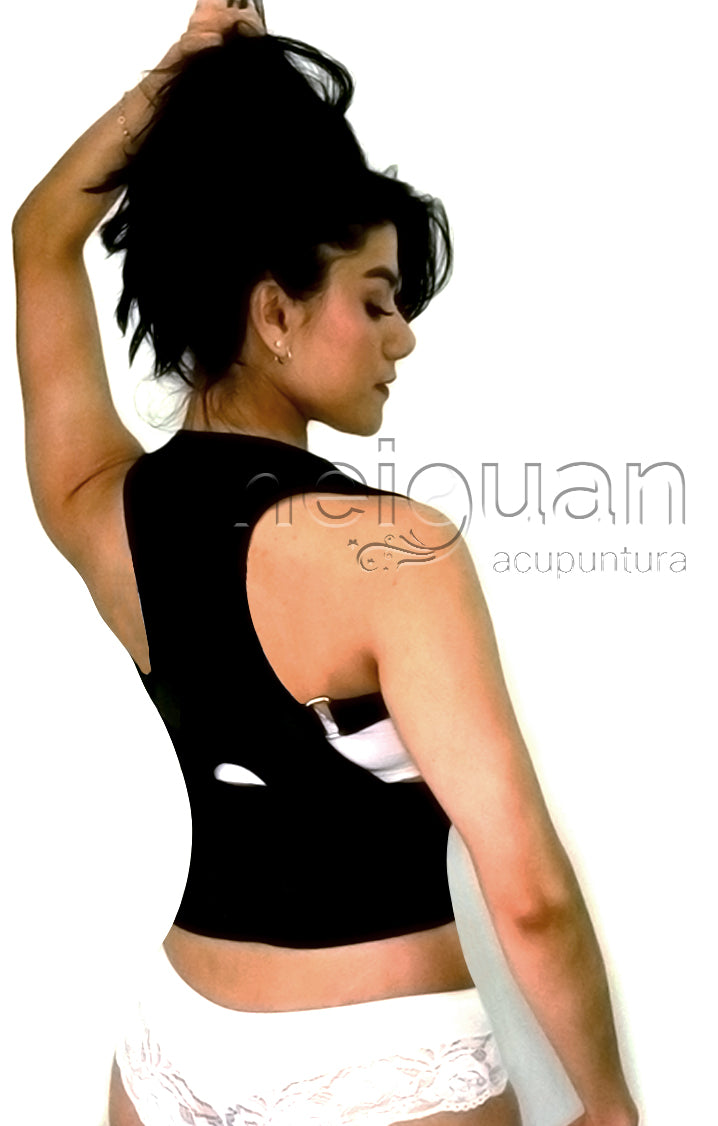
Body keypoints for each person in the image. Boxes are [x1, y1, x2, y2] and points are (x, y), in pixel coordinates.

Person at [12, 2, 639, 1124]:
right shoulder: (398, 554)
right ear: (274, 312)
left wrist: (178, 79)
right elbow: (530, 896)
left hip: (170, 1041)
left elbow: (39, 235)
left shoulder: (99, 509)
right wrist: (608, 1103)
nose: (404, 336)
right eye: (377, 300)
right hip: (378, 1056)